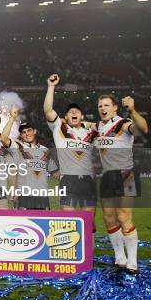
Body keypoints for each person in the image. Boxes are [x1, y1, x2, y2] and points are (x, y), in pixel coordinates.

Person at [95, 94, 148, 273]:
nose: (103, 108)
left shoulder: (123, 123)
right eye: (100, 106)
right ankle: (120, 259)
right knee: (109, 219)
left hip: (126, 175)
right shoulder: (97, 127)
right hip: (107, 176)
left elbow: (143, 128)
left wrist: (133, 110)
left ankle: (132, 263)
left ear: (115, 107)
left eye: (106, 105)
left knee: (124, 217)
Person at [43, 74, 98, 215]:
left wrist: (90, 124)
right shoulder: (59, 127)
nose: (73, 112)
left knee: (89, 221)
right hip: (68, 178)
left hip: (88, 179)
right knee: (69, 218)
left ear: (82, 116)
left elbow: (105, 128)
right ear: (66, 117)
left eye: (77, 111)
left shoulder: (91, 133)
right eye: (70, 112)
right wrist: (51, 86)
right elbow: (48, 110)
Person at [0, 106, 59, 210]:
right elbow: (3, 138)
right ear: (21, 135)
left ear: (34, 131)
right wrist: (12, 118)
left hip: (42, 195)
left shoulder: (45, 150)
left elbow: (54, 172)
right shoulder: (18, 147)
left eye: (29, 130)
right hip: (24, 195)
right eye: (23, 132)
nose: (27, 134)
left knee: (42, 225)